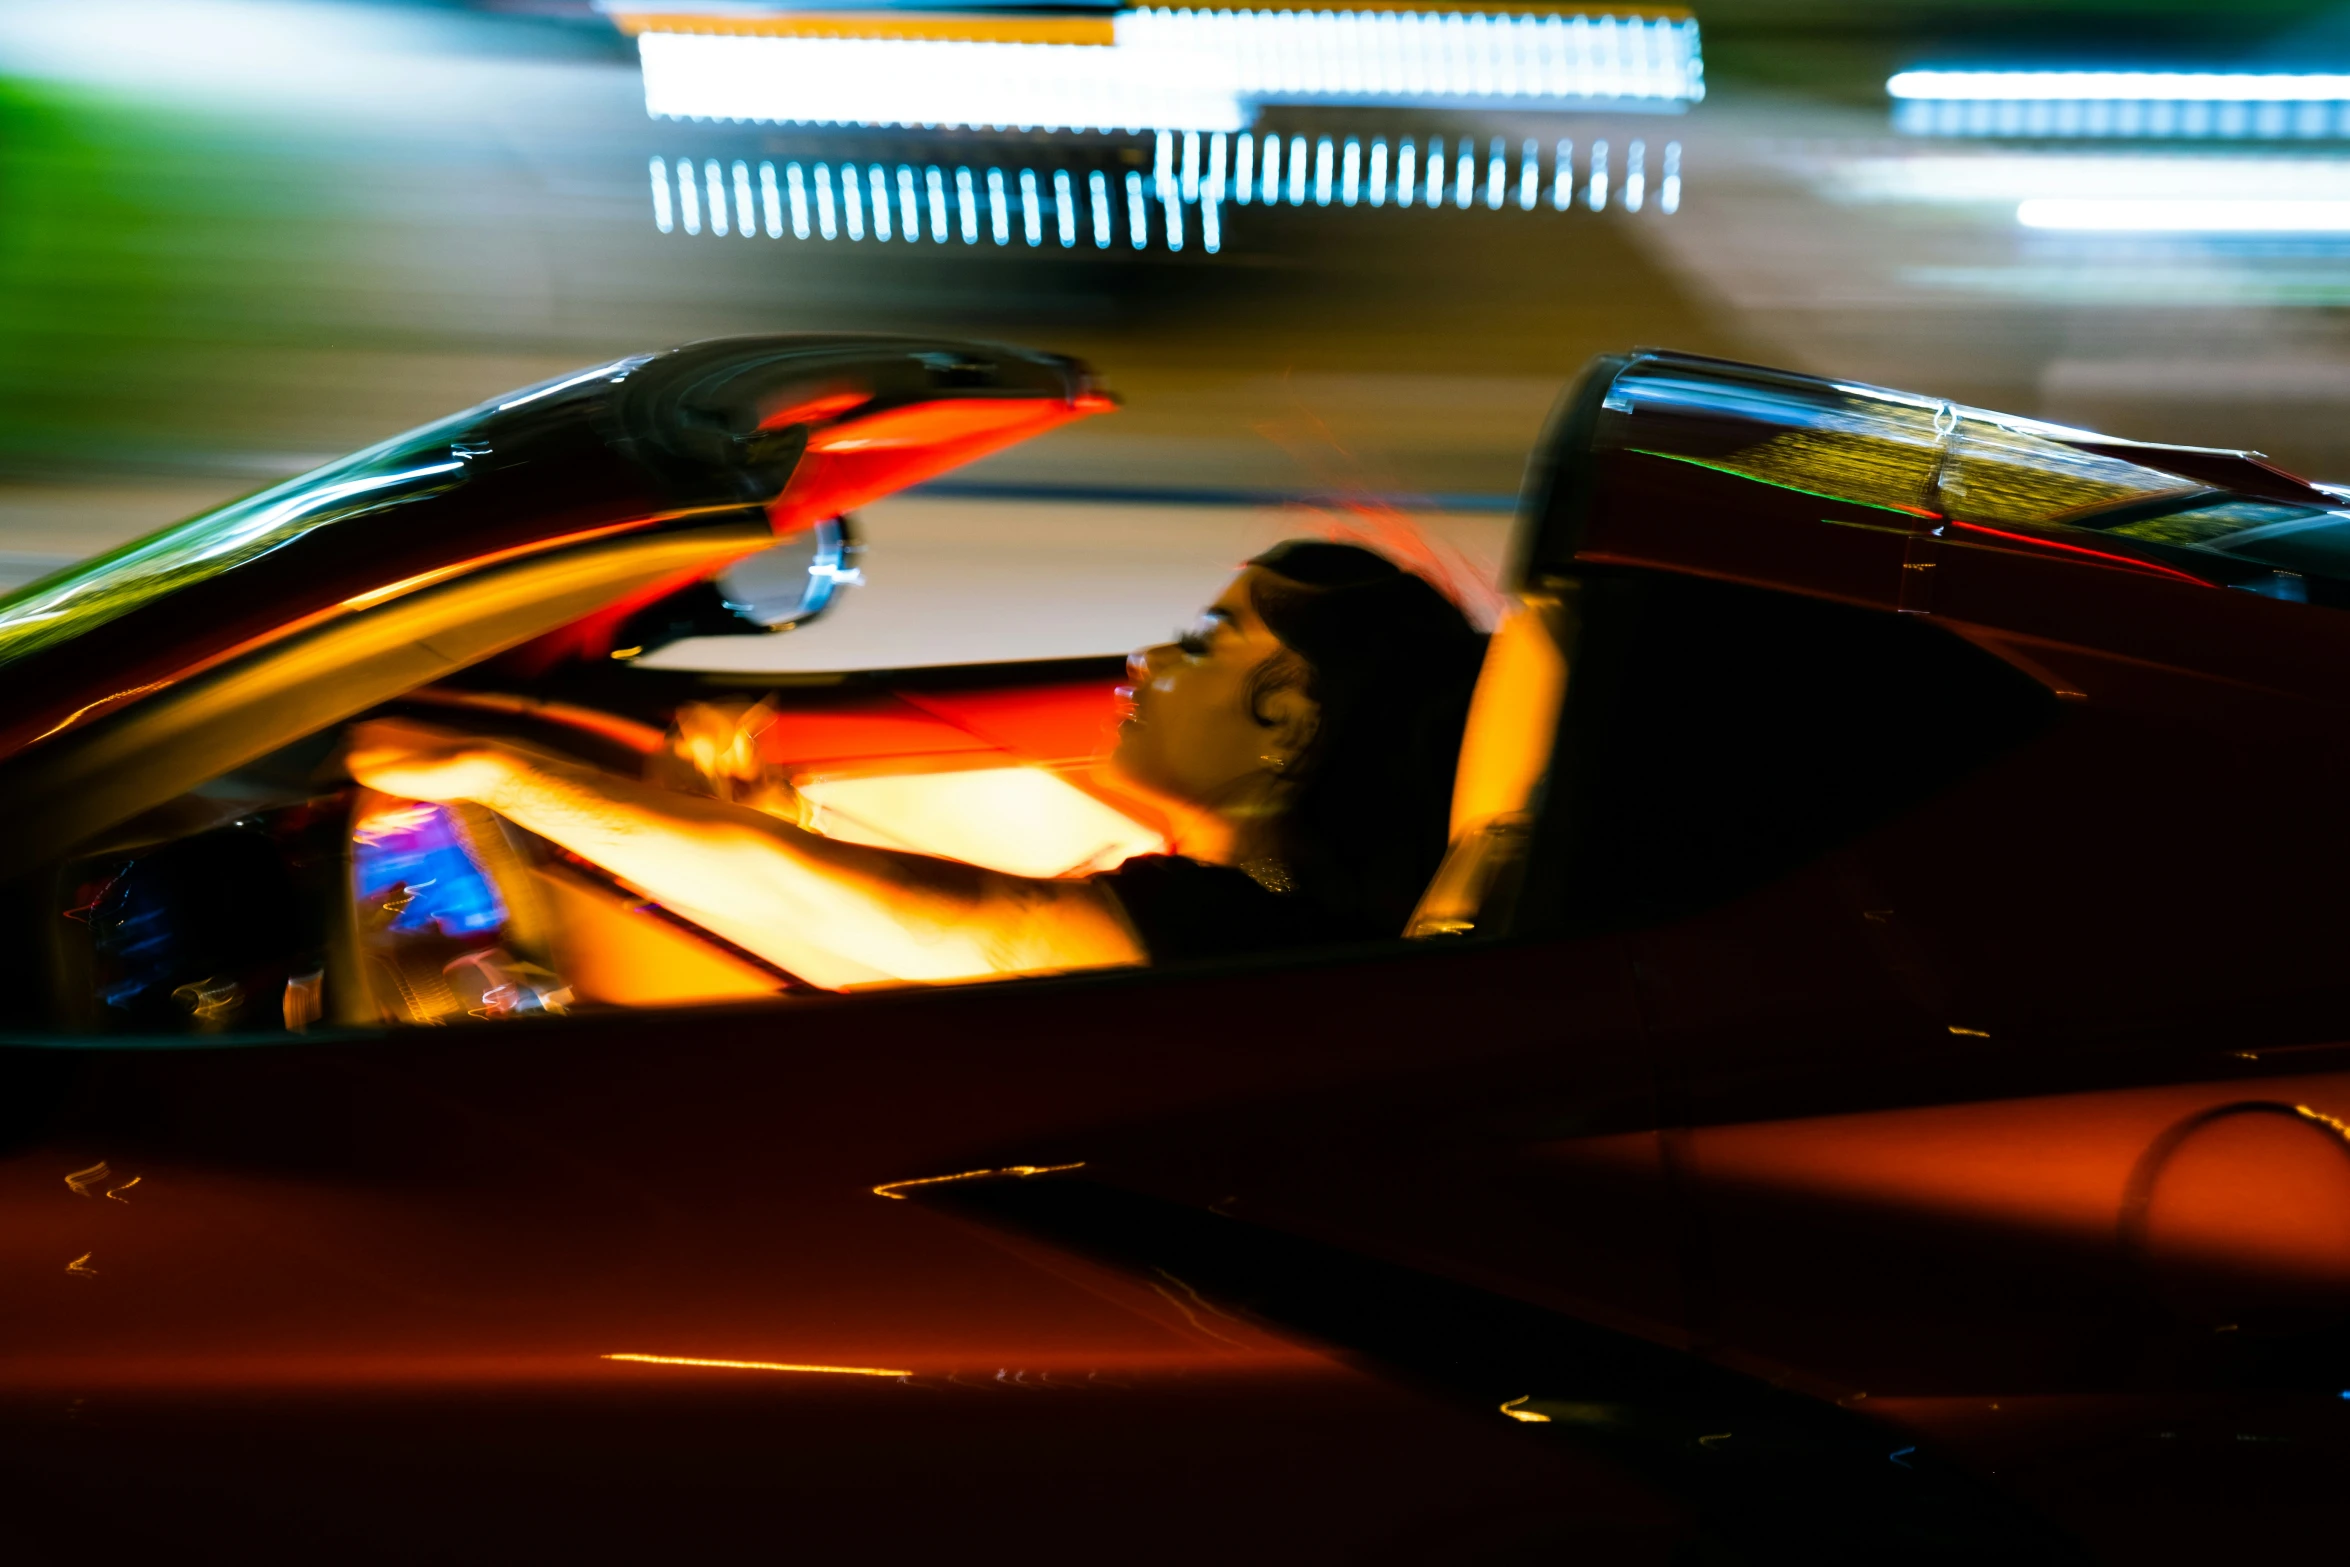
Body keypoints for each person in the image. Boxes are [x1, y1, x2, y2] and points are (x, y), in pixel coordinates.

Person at [348, 540, 1485, 988]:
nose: (1142, 660)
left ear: (1285, 722)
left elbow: (937, 933)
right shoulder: (1263, 917)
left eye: (1199, 642)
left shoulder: (1245, 944)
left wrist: (501, 772)